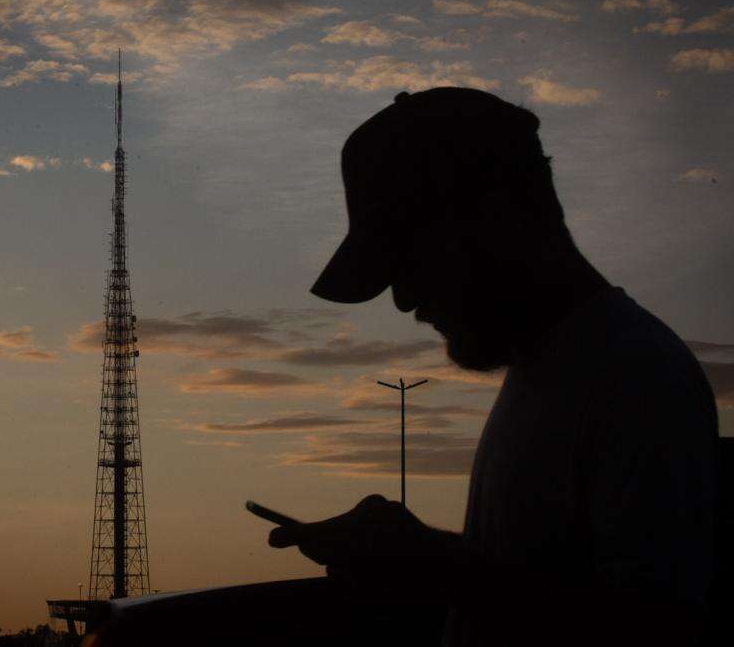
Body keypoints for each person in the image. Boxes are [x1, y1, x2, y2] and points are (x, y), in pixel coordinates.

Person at [268, 88, 719, 646]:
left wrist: (436, 565)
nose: (404, 299)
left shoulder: (636, 379)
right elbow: (545, 581)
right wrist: (417, 563)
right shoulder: (558, 373)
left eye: (409, 260)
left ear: (493, 218)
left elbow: (658, 630)